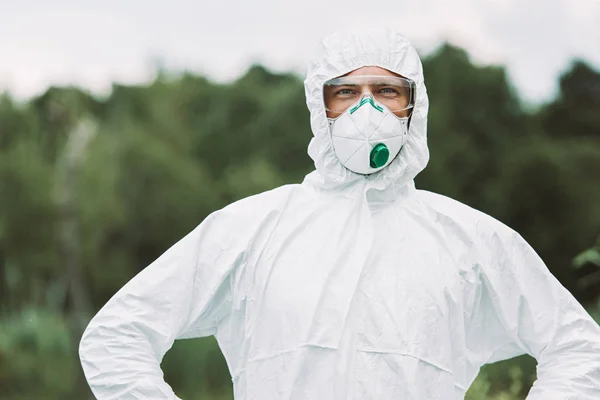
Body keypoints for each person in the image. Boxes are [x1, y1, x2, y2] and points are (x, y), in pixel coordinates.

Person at [79, 29, 600, 399]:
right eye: (346, 92)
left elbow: (578, 347)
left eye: (387, 91)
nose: (366, 110)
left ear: (413, 107)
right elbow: (117, 335)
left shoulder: (471, 238)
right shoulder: (253, 227)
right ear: (319, 106)